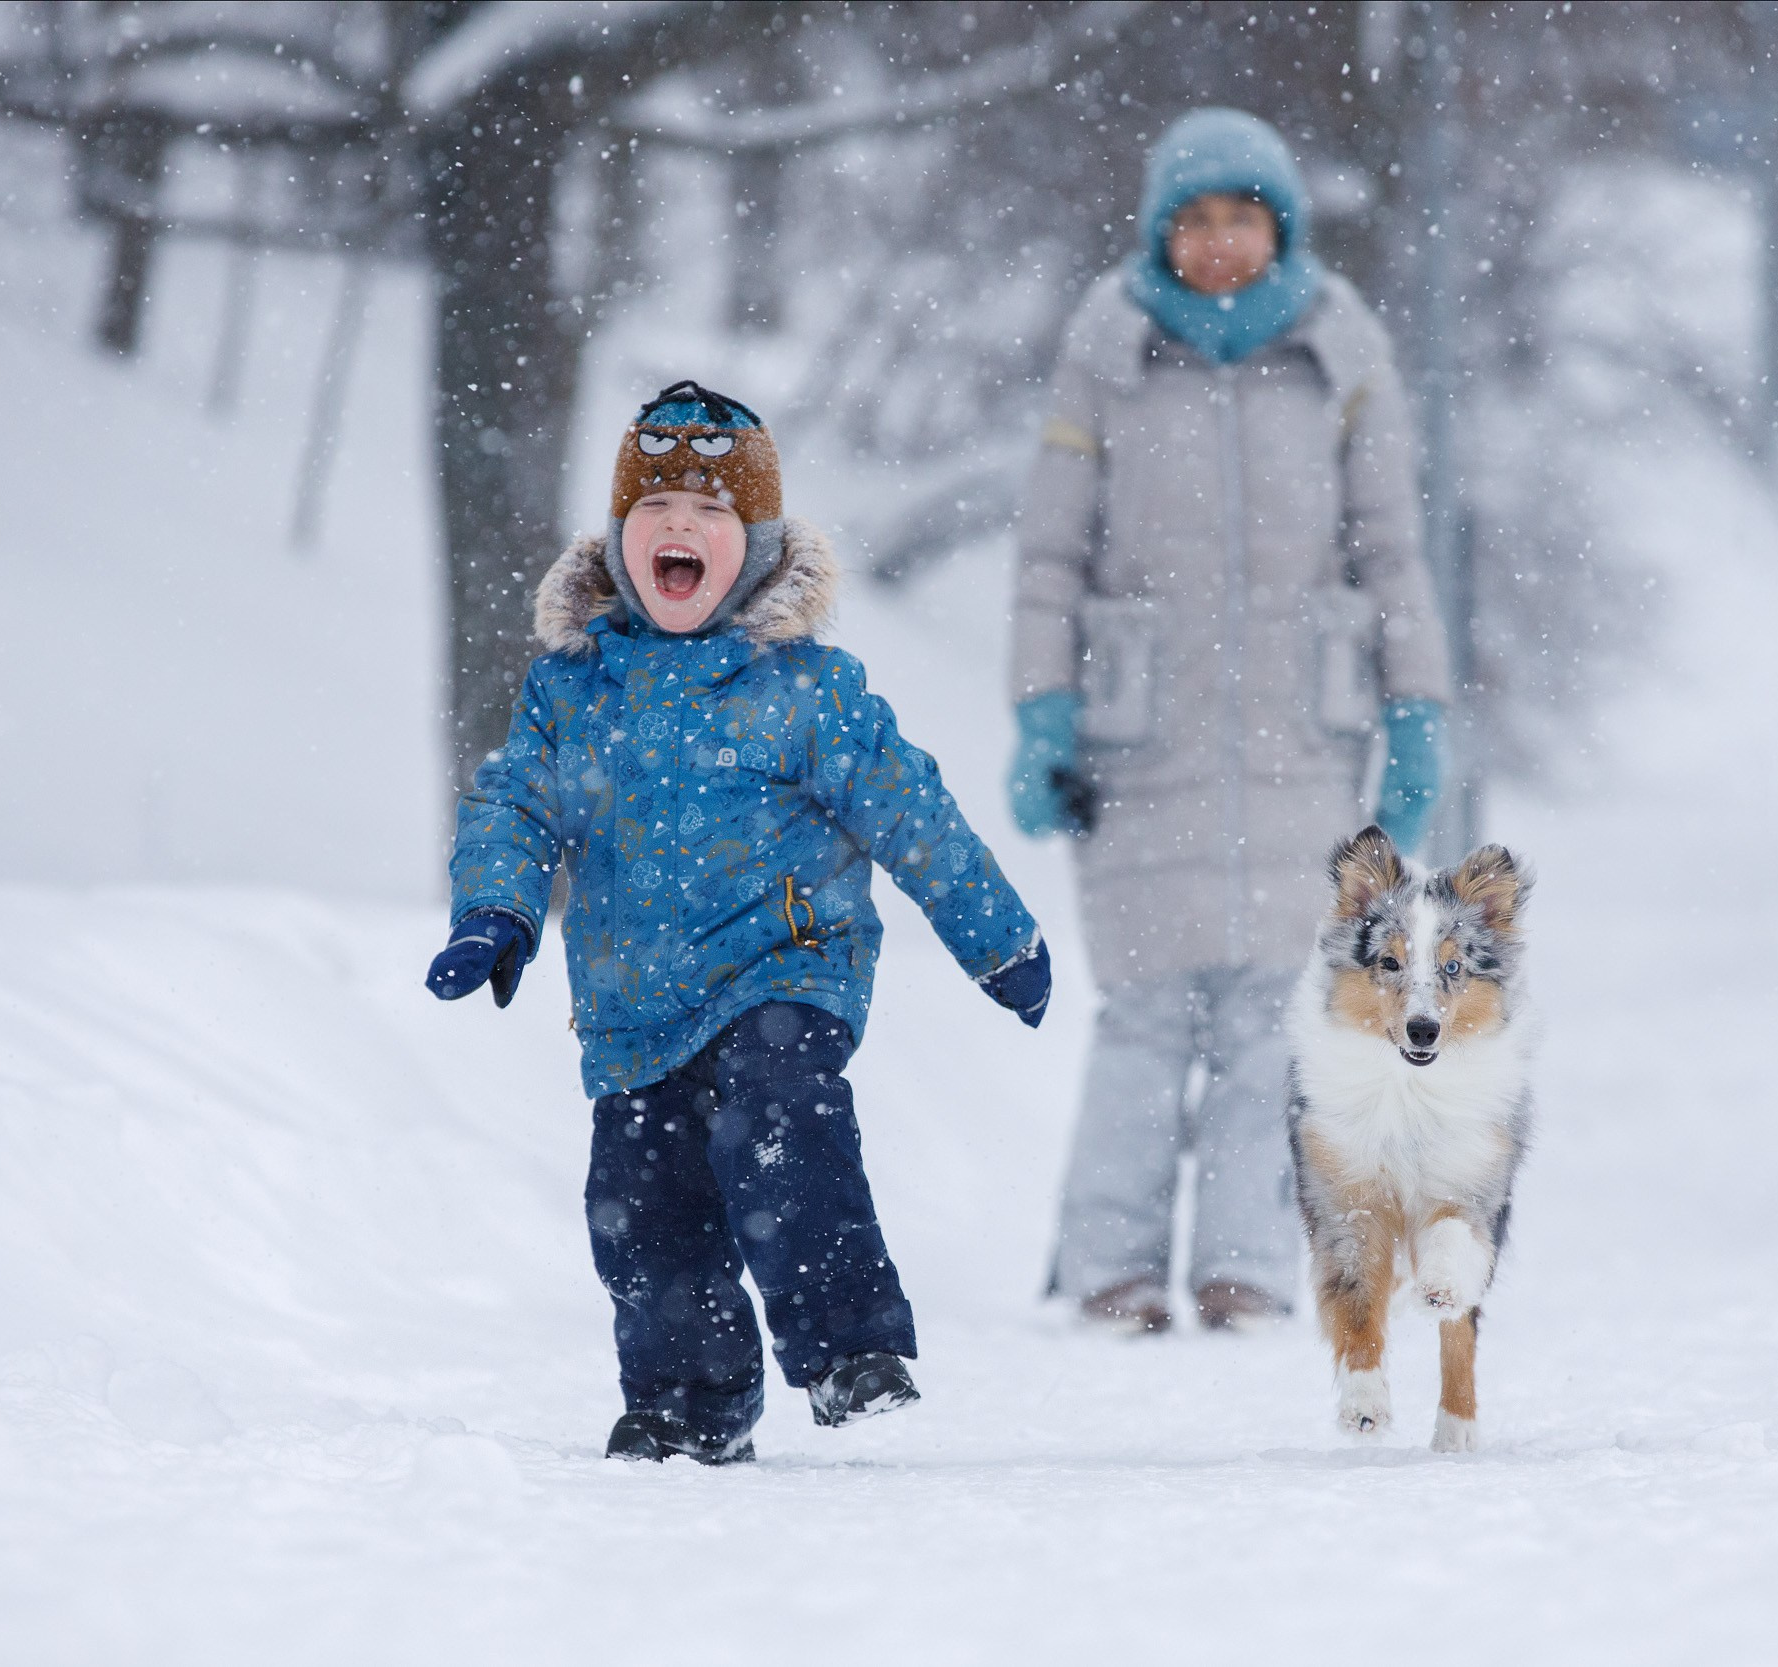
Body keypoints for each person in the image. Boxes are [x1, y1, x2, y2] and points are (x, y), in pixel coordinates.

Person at [428, 381, 1052, 1464]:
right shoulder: (571, 691)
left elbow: (913, 812)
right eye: (655, 503)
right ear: (618, 542)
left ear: (757, 548)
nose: (680, 524)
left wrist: (997, 938)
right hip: (631, 1007)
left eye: (712, 510)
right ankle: (690, 1398)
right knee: (643, 1205)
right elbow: (513, 805)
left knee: (780, 1118)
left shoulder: (807, 689)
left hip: (784, 970)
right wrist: (495, 910)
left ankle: (851, 1346)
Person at [1010, 110, 1452, 1335]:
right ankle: (1111, 1269)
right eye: (1191, 221)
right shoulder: (1105, 350)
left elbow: (1393, 556)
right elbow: (1048, 556)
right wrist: (1042, 713)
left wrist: (1415, 714)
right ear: (1159, 232)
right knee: (1145, 1011)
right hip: (1137, 736)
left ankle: (1245, 1268)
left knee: (1276, 1015)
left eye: (1240, 218)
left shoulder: (1342, 352)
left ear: (1281, 225)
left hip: (1299, 736)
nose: (1216, 244)